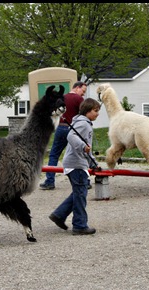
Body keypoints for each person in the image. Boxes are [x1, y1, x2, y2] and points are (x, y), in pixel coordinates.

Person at [48, 97, 100, 235]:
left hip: (76, 162)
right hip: (76, 164)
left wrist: (93, 163)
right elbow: (71, 136)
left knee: (78, 192)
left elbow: (86, 147)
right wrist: (83, 146)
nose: (97, 114)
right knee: (81, 194)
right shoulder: (83, 124)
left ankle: (59, 215)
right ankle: (79, 225)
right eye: (95, 111)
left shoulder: (83, 123)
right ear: (87, 111)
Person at [40, 81, 88, 190]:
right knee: (81, 154)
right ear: (77, 88)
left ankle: (49, 181)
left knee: (54, 155)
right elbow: (84, 115)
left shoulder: (62, 98)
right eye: (83, 91)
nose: (83, 94)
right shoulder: (79, 100)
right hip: (74, 129)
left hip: (61, 127)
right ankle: (85, 180)